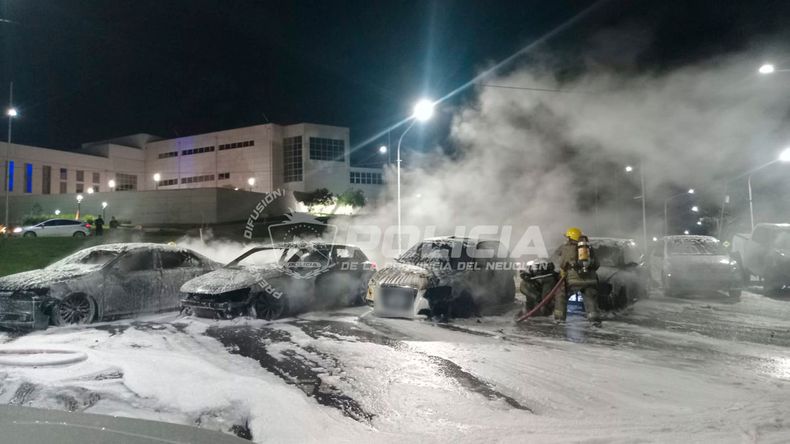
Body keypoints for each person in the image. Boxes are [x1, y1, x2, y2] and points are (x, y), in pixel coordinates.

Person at [555, 228, 601, 325]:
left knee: (561, 295)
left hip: (574, 280)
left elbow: (562, 264)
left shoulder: (566, 247)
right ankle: (594, 320)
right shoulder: (589, 248)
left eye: (567, 237)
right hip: (591, 280)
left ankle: (559, 319)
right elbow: (597, 264)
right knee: (590, 299)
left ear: (570, 238)